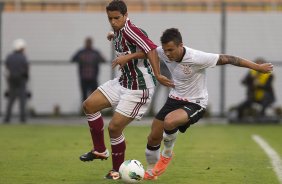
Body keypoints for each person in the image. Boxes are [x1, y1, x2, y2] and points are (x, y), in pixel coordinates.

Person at [112, 28, 273, 180]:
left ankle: (167, 154)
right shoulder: (163, 52)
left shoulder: (197, 57)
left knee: (170, 121)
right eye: (165, 50)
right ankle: (151, 171)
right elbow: (148, 51)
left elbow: (230, 59)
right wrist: (119, 42)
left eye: (171, 50)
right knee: (153, 136)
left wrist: (257, 67)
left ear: (180, 45)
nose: (167, 54)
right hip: (174, 99)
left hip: (196, 103)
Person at [79, 0, 172, 180]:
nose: (113, 22)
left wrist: (159, 75)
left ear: (126, 15)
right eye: (110, 19)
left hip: (139, 88)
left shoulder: (131, 30)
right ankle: (99, 150)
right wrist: (113, 35)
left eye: (117, 18)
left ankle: (116, 171)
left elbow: (152, 49)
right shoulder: (119, 29)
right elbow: (127, 40)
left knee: (114, 128)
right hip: (123, 82)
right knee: (89, 105)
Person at [71, 37, 106, 102]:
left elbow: (103, 60)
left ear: (91, 43)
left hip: (93, 78)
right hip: (83, 77)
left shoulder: (95, 52)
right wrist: (80, 59)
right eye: (87, 42)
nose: (88, 44)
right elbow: (73, 59)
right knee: (84, 96)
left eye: (89, 42)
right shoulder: (81, 52)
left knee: (94, 96)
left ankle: (94, 111)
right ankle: (84, 111)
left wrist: (98, 59)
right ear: (85, 43)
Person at [3, 39, 30, 123]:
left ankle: (7, 118)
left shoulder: (9, 57)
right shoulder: (23, 57)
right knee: (22, 99)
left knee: (11, 99)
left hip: (11, 79)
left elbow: (7, 67)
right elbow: (26, 69)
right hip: (21, 79)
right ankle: (22, 118)